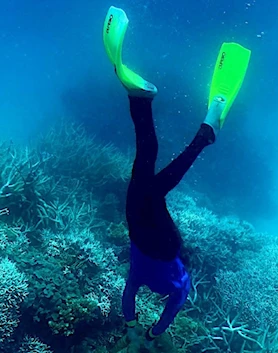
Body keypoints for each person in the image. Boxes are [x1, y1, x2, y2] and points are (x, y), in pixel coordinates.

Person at [102, 6, 251, 349]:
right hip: (139, 232)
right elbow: (129, 296)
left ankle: (197, 130)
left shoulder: (178, 285)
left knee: (152, 182)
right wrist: (135, 327)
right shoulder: (139, 277)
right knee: (145, 173)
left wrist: (154, 332)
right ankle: (146, 104)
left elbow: (172, 310)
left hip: (163, 244)